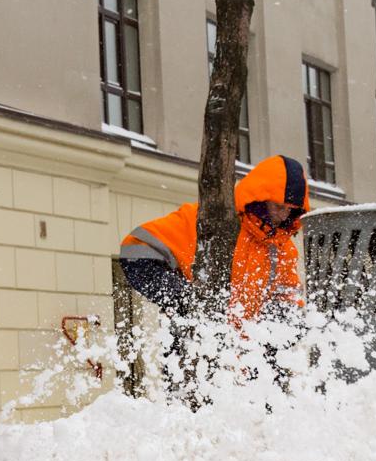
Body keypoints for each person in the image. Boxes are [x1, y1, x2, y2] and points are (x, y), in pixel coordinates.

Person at [118, 155, 310, 390]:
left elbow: (287, 298)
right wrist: (183, 299)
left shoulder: (282, 249)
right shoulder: (208, 223)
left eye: (290, 210)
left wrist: (282, 334)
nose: (282, 216)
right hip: (195, 355)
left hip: (252, 367)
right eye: (278, 206)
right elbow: (135, 248)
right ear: (259, 199)